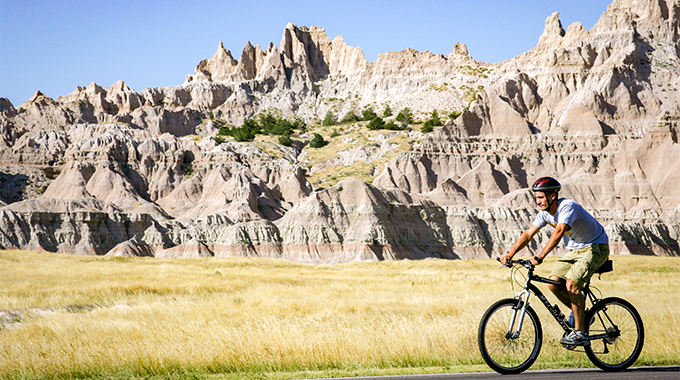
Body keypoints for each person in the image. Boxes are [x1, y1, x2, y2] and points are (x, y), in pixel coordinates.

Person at [500, 177, 609, 346]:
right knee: (553, 283)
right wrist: (510, 254)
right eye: (536, 198)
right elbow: (529, 234)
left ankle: (580, 333)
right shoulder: (544, 214)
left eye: (541, 197)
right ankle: (585, 316)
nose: (538, 202)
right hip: (574, 250)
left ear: (552, 196)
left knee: (572, 284)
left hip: (595, 247)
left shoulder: (568, 207)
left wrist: (541, 256)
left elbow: (559, 231)